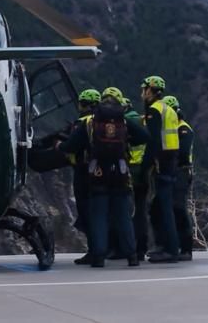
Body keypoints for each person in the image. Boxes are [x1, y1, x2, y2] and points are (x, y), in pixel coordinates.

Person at [59, 90, 149, 267]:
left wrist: (60, 145)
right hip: (120, 172)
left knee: (99, 215)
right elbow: (145, 136)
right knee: (123, 214)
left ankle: (98, 257)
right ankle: (131, 255)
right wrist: (126, 141)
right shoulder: (123, 121)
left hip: (98, 172)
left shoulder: (89, 123)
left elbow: (69, 147)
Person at [139, 76, 182, 263]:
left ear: (150, 90)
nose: (142, 93)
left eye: (143, 89)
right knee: (161, 206)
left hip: (161, 162)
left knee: (164, 207)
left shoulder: (155, 110)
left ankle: (171, 250)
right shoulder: (169, 109)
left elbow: (153, 141)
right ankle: (166, 246)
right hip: (171, 160)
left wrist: (144, 166)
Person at [162, 95, 195, 261]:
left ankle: (187, 248)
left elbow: (182, 153)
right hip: (171, 171)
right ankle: (171, 244)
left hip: (181, 171)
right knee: (169, 208)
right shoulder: (174, 127)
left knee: (179, 207)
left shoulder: (184, 129)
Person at [70, 89, 101, 265]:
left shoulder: (82, 122)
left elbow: (71, 146)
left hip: (83, 171)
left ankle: (93, 251)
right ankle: (103, 248)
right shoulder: (101, 121)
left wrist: (60, 146)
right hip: (100, 171)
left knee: (86, 210)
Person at [122, 96, 152, 260]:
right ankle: (142, 248)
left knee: (126, 210)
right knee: (141, 210)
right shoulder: (142, 119)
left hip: (130, 169)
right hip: (144, 169)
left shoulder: (125, 122)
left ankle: (128, 247)